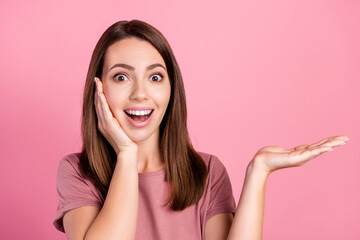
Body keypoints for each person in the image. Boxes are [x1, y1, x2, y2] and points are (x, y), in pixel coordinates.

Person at [53, 19, 349, 240]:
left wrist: (260, 170)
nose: (140, 94)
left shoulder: (207, 172)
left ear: (172, 88)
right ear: (98, 89)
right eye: (121, 77)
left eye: (155, 77)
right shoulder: (78, 172)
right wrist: (127, 154)